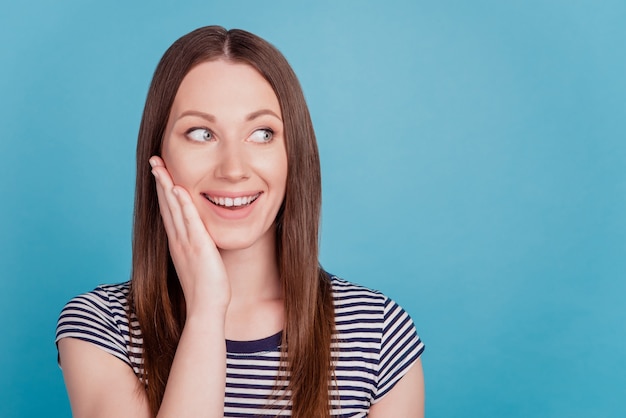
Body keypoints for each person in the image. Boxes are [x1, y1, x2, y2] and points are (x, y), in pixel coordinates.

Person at [56, 26, 425, 418]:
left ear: (293, 155)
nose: (233, 169)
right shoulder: (101, 326)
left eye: (262, 133)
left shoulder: (378, 333)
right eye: (202, 133)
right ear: (158, 154)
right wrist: (206, 308)